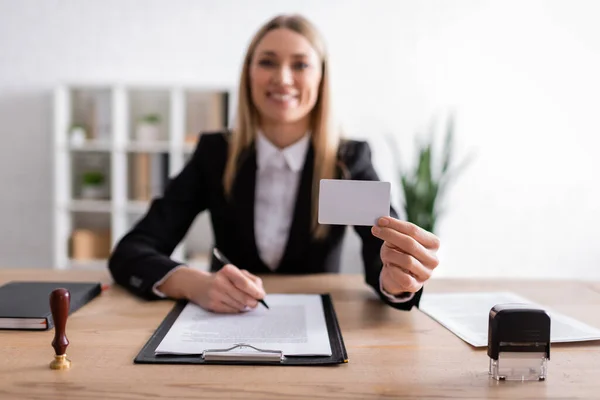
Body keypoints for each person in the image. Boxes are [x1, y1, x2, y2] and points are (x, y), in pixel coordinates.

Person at [108, 14, 440, 314]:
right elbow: (131, 251)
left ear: (322, 78)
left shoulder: (348, 160)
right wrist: (194, 283)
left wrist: (398, 280)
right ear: (248, 74)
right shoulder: (215, 153)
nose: (282, 78)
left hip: (318, 326)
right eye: (267, 62)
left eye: (300, 64)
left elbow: (382, 255)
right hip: (225, 322)